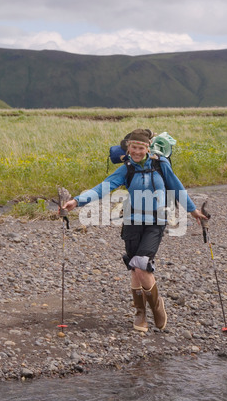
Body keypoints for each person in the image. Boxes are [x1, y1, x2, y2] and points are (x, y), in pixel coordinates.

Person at [61, 129, 207, 333]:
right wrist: (77, 201)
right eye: (133, 147)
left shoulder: (160, 165)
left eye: (141, 148)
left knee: (141, 263)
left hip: (156, 221)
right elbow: (103, 187)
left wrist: (193, 211)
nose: (137, 151)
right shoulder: (126, 169)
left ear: (148, 148)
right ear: (128, 148)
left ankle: (156, 306)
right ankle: (140, 312)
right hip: (131, 220)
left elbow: (177, 187)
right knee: (134, 266)